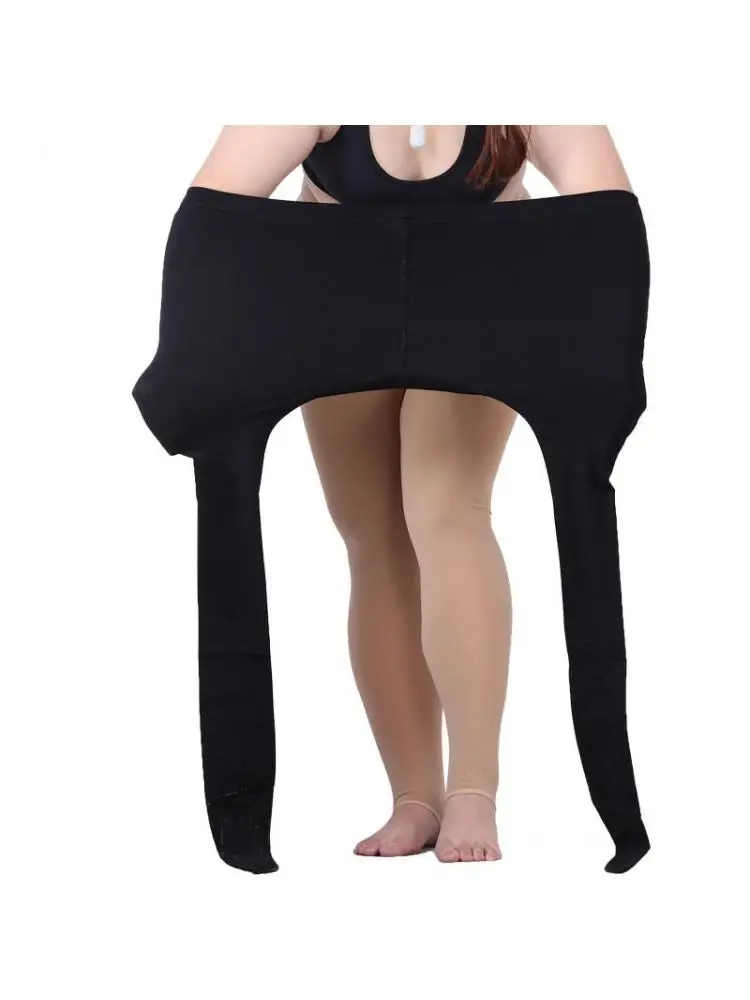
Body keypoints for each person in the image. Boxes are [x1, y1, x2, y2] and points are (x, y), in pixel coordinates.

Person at [189, 126, 633, 863]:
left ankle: (473, 792)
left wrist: (597, 359)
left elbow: (607, 220)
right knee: (373, 535)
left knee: (446, 508)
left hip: (480, 288)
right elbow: (212, 214)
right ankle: (415, 798)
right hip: (336, 293)